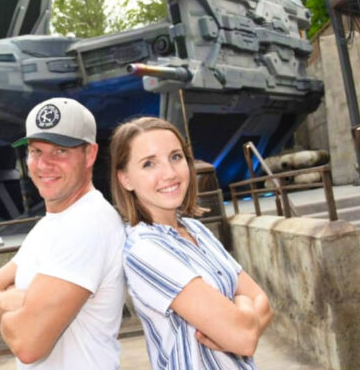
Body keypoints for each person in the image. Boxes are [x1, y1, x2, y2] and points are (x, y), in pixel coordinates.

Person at [0, 98, 126, 368]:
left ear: (90, 154)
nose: (44, 164)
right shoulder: (49, 225)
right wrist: (12, 300)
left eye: (60, 151)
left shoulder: (88, 223)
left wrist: (6, 308)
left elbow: (27, 343)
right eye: (36, 151)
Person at [110, 117, 273, 369]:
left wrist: (242, 320)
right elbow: (244, 337)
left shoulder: (196, 229)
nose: (170, 173)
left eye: (176, 157)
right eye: (149, 164)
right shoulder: (144, 250)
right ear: (125, 179)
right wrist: (243, 312)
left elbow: (263, 302)